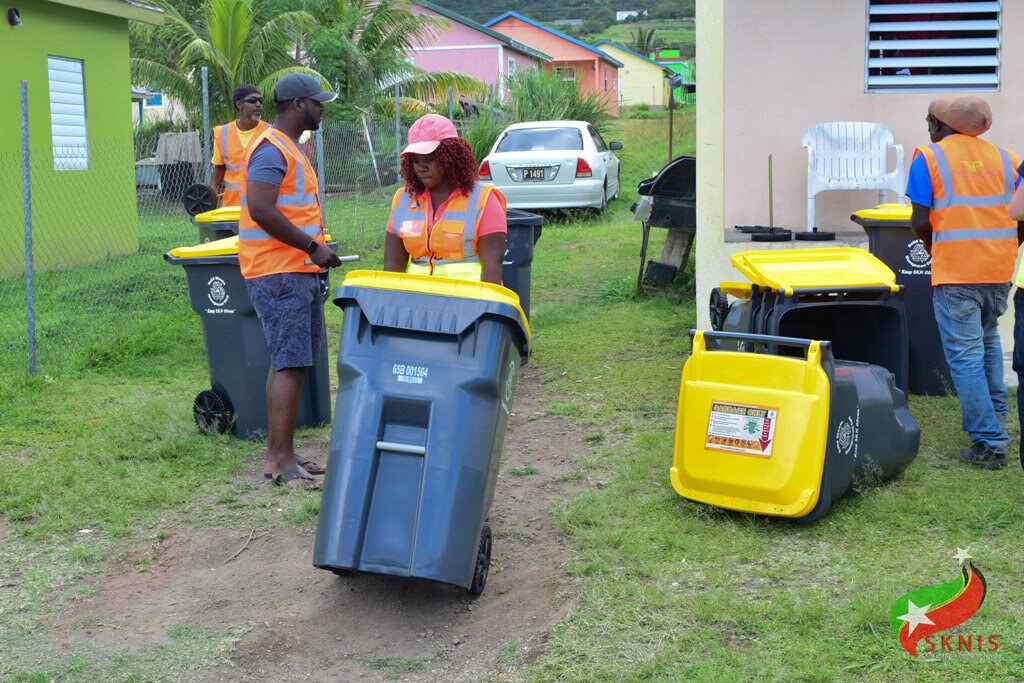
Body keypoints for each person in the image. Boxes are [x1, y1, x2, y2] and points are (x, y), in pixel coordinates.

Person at [238, 73, 344, 489]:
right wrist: (311, 246)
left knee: (288, 362)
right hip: (280, 271)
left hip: (292, 269)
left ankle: (279, 454)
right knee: (291, 363)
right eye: (318, 102)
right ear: (299, 104)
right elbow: (261, 208)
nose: (322, 109)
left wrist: (313, 250)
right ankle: (282, 461)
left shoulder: (289, 147)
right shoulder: (272, 149)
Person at [906, 96, 1021, 470]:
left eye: (929, 121)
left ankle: (989, 442)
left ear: (941, 124)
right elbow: (1021, 216)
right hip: (999, 271)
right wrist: (1005, 248)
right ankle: (996, 420)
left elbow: (920, 221)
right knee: (988, 342)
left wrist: (935, 249)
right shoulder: (1007, 158)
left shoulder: (929, 157)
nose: (928, 128)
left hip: (957, 273)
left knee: (966, 357)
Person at [383, 114, 507, 284]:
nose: (421, 168)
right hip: (416, 298)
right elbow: (393, 264)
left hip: (469, 298)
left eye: (429, 159)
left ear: (450, 157)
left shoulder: (484, 200)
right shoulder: (403, 200)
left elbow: (492, 267)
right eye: (416, 160)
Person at [211, 84, 269, 207]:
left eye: (260, 101)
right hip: (232, 206)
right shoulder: (222, 133)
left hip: (261, 206)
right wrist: (214, 187)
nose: (258, 104)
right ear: (239, 104)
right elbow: (220, 165)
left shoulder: (271, 132)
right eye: (253, 100)